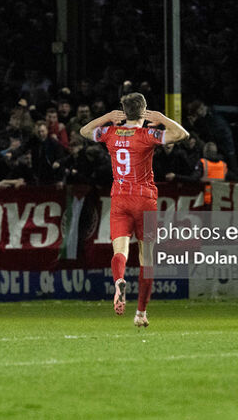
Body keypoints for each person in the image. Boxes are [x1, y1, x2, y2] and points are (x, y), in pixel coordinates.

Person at [80, 93, 189, 327]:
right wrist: (162, 118)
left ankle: (119, 280)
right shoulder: (147, 135)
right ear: (145, 110)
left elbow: (84, 131)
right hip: (144, 200)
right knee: (146, 259)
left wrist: (107, 117)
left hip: (119, 198)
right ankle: (140, 313)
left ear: (123, 110)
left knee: (119, 251)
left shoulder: (110, 133)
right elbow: (182, 135)